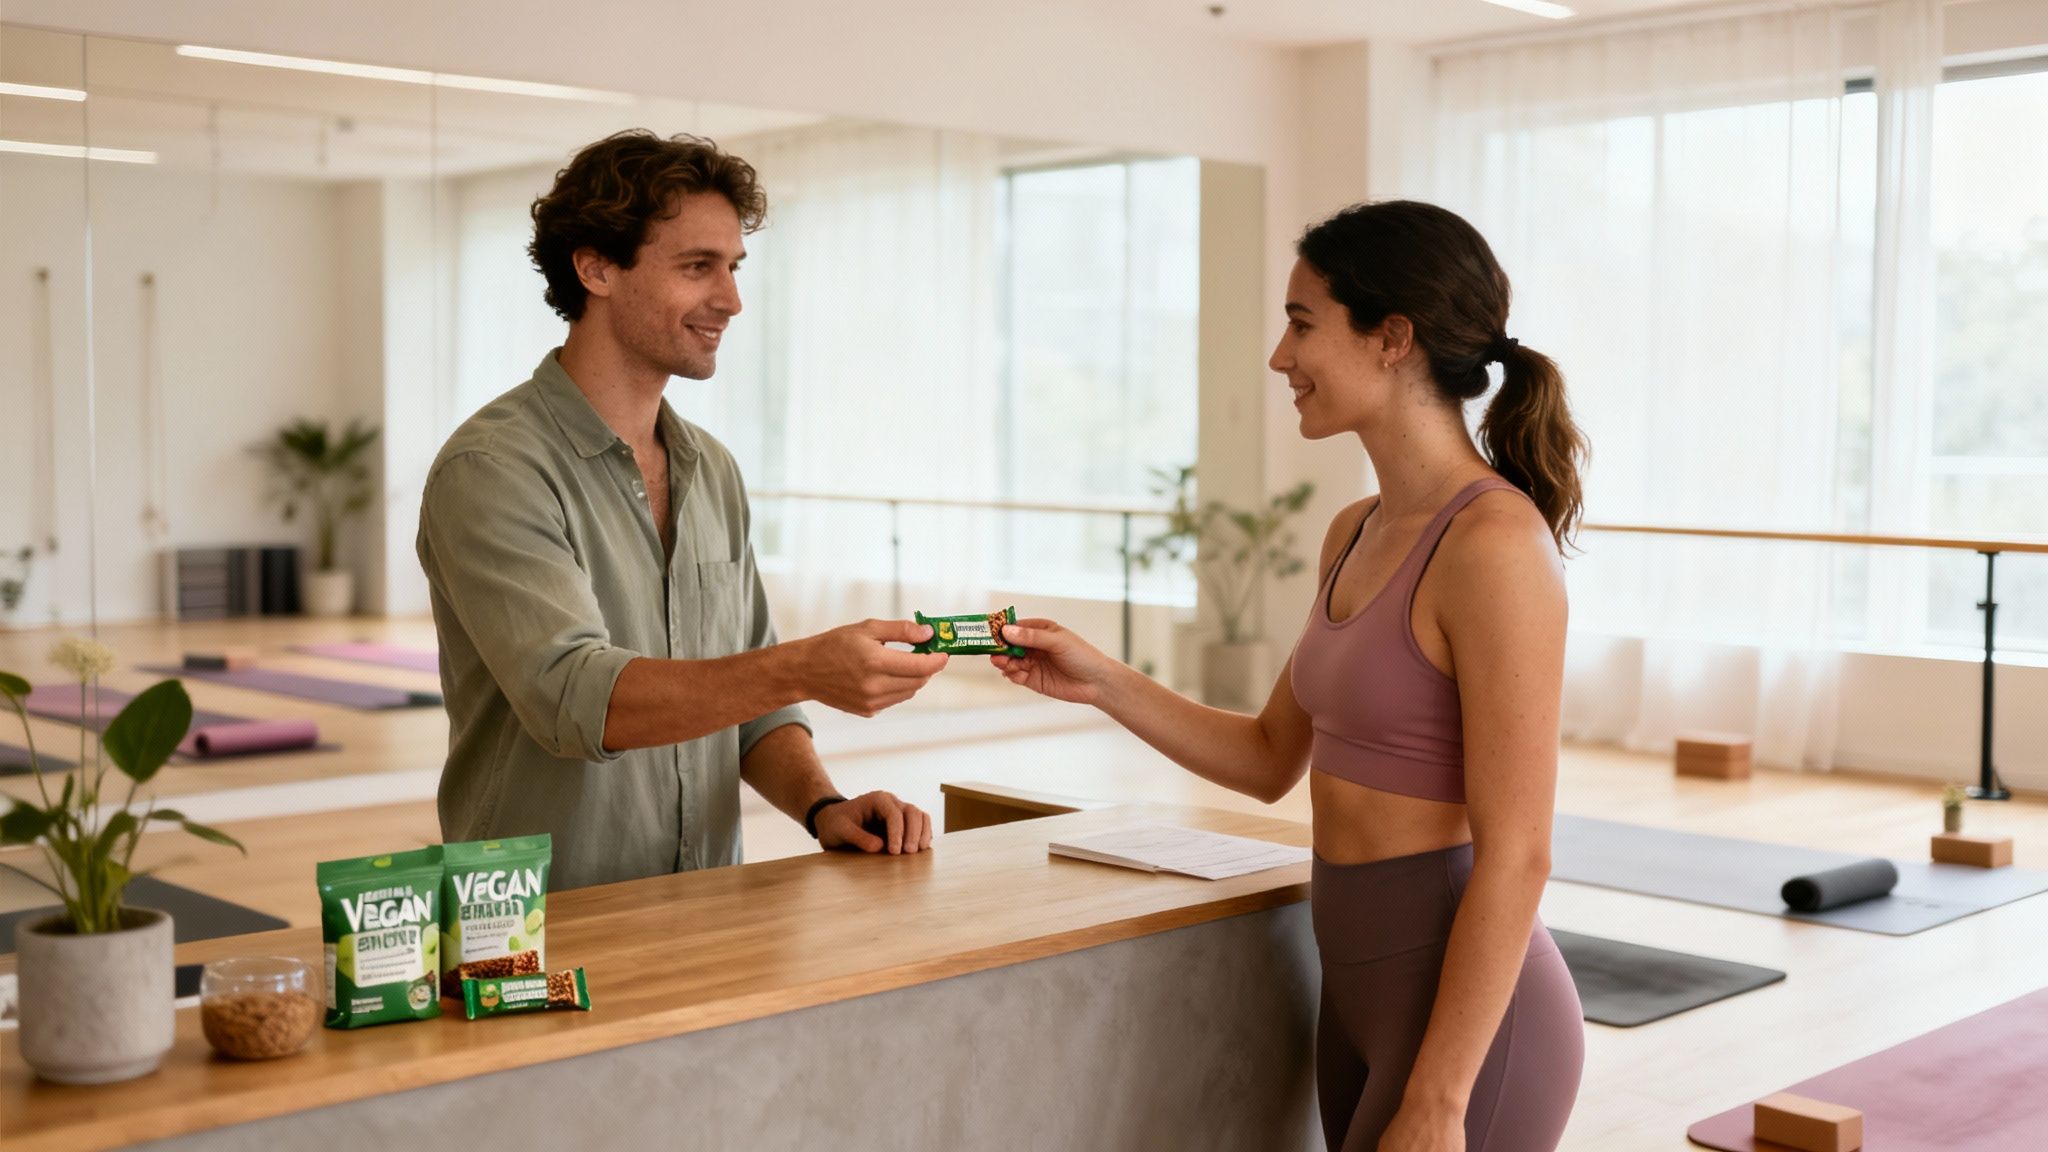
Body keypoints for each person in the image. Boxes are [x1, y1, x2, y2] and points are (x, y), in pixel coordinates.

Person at [991, 201, 1588, 1151]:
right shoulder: (1353, 529)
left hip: (1467, 1029)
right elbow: (1273, 756)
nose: (1279, 356)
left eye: (1302, 322)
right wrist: (1100, 678)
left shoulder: (1493, 544)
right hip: (1352, 993)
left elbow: (1520, 851)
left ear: (1392, 338)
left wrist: (1438, 1098)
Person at [418, 130, 944, 891]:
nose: (731, 300)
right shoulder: (493, 470)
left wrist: (822, 804)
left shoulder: (712, 470)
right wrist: (803, 666)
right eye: (698, 267)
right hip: (536, 923)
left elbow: (754, 707)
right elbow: (577, 699)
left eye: (732, 267)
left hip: (704, 910)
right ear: (596, 268)